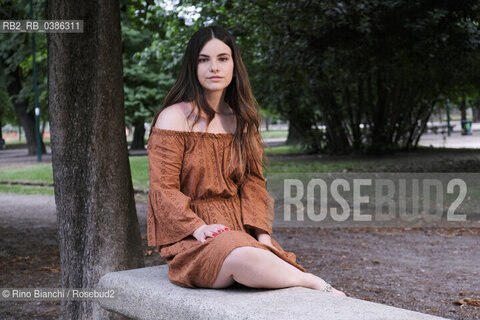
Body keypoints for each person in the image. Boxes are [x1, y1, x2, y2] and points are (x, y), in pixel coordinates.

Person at [147, 25, 346, 296]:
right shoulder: (174, 117)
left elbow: (253, 185)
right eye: (203, 59)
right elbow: (163, 189)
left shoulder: (242, 121)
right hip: (194, 237)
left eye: (222, 59)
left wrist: (262, 234)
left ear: (233, 65)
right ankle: (312, 282)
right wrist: (198, 227)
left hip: (240, 230)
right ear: (192, 67)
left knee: (255, 253)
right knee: (243, 258)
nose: (213, 67)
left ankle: (295, 275)